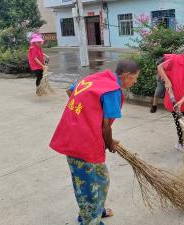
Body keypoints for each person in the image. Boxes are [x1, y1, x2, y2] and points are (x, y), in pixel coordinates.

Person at [50, 60, 139, 225]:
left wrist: (87, 116)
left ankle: (92, 212)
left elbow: (70, 91)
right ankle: (90, 220)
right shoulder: (113, 91)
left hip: (76, 137)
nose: (135, 82)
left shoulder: (99, 77)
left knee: (97, 180)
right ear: (126, 76)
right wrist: (110, 143)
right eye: (134, 78)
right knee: (89, 185)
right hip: (82, 143)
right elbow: (106, 127)